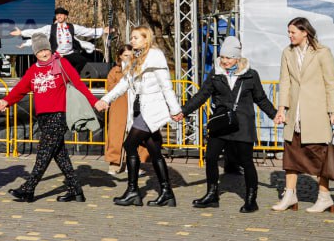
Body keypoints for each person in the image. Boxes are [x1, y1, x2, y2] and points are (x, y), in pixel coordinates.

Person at [178, 36, 277, 213]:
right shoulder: (216, 73)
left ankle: (250, 199)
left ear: (237, 58)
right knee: (210, 157)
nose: (224, 61)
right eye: (222, 57)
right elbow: (202, 95)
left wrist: (275, 114)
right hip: (222, 123)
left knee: (246, 161)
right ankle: (212, 195)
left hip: (242, 124)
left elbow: (261, 99)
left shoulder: (250, 75)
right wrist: (183, 111)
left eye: (228, 58)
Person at [0, 33, 100, 203]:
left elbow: (79, 84)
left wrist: (95, 102)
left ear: (50, 49)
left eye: (46, 49)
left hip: (59, 115)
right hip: (43, 117)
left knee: (44, 153)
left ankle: (28, 189)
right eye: (40, 51)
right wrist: (6, 102)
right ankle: (76, 190)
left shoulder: (62, 63)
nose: (44, 54)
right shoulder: (33, 70)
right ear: (35, 53)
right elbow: (20, 89)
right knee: (59, 154)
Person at [95, 26, 184, 207]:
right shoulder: (137, 60)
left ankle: (133, 191)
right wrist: (106, 100)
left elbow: (166, 86)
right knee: (155, 152)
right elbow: (123, 84)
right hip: (142, 110)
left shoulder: (155, 58)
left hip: (151, 110)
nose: (132, 40)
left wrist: (175, 110)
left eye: (136, 37)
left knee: (129, 144)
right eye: (132, 37)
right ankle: (167, 193)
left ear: (146, 39)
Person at [272, 17, 334, 213]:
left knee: (320, 157)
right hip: (295, 114)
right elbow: (284, 82)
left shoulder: (322, 52)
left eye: (293, 32)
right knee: (291, 157)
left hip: (316, 113)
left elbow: (331, 83)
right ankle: (289, 195)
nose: (290, 35)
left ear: (305, 32)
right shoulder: (287, 52)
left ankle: (324, 197)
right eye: (289, 32)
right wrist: (281, 109)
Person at [10, 7, 110, 73]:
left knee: (82, 60)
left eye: (61, 14)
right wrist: (22, 33)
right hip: (56, 54)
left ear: (65, 16)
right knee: (50, 68)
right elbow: (37, 32)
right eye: (57, 15)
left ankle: (72, 76)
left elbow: (86, 31)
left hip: (69, 53)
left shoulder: (72, 27)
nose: (59, 16)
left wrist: (102, 30)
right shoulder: (50, 28)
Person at [102, 44, 137, 175]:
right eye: (126, 55)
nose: (129, 57)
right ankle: (115, 163)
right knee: (116, 135)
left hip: (134, 105)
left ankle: (133, 163)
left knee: (133, 135)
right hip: (119, 107)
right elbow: (110, 87)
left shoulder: (138, 68)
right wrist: (123, 80)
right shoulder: (114, 71)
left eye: (131, 55)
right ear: (120, 56)